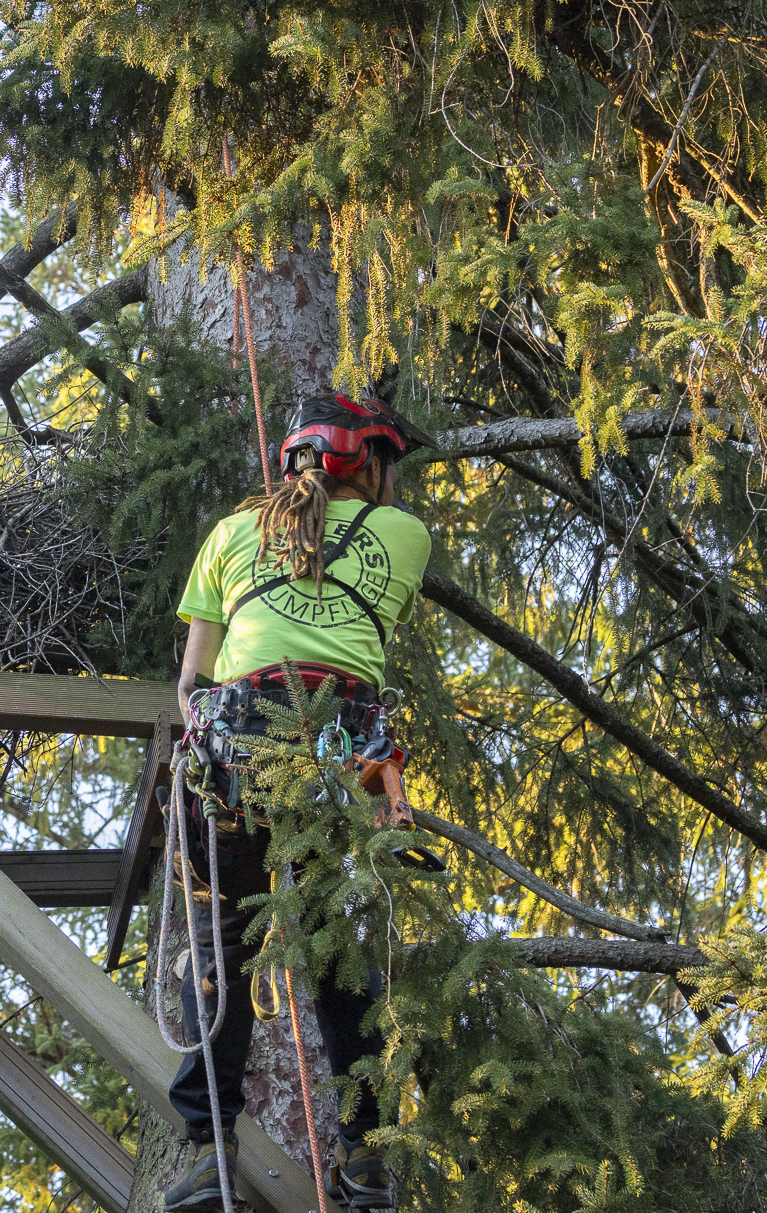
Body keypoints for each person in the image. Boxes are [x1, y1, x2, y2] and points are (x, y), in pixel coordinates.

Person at [160, 394, 434, 1213]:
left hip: (238, 750)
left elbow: (192, 684)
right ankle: (368, 1155)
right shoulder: (406, 536)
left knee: (219, 946)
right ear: (368, 461)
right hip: (335, 758)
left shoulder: (229, 534)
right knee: (341, 954)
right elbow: (362, 639)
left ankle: (212, 1153)